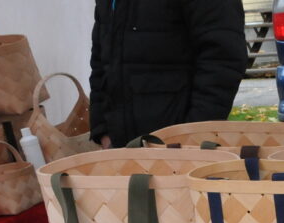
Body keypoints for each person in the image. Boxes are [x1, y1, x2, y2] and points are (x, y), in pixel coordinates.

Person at [89, 0, 248, 148]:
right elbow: (100, 59)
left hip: (181, 148)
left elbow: (223, 60)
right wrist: (102, 130)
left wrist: (193, 135)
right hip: (120, 149)